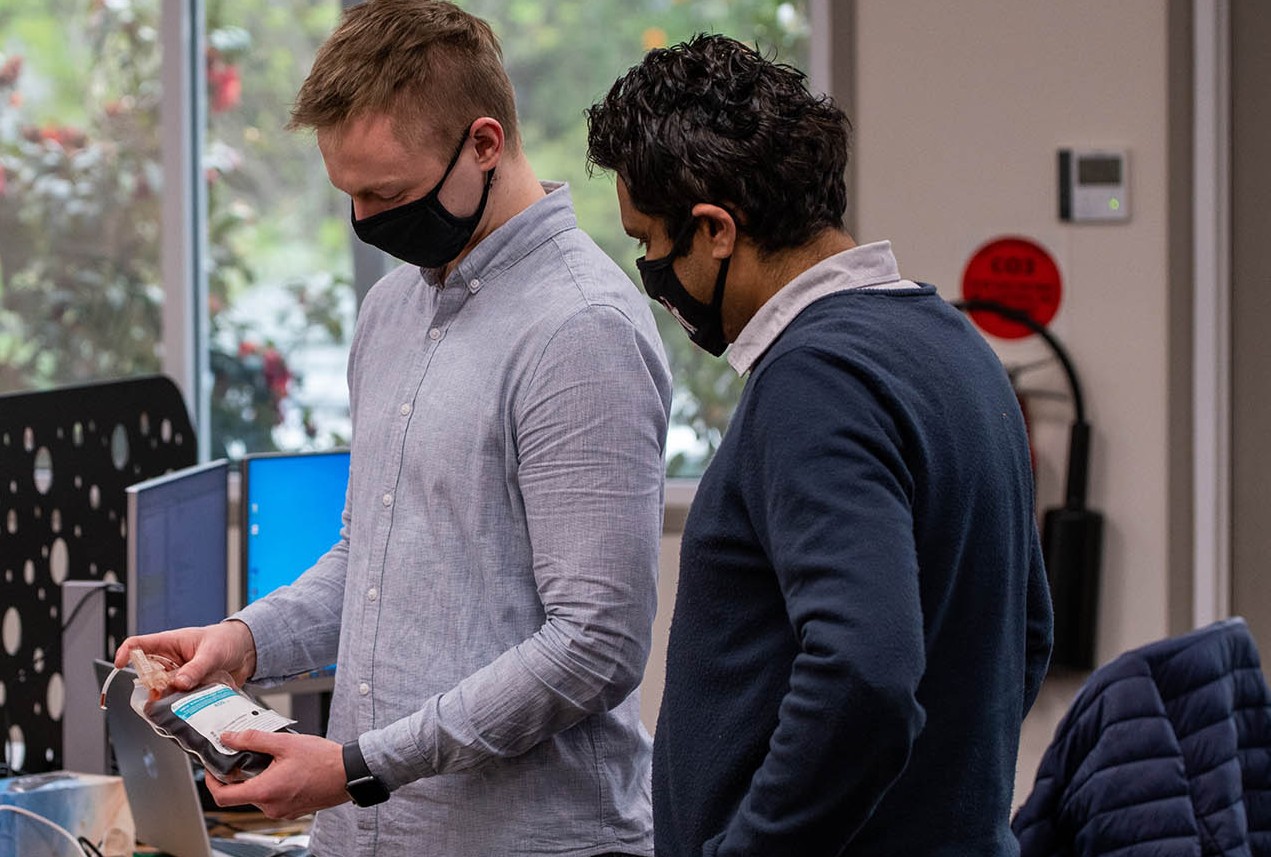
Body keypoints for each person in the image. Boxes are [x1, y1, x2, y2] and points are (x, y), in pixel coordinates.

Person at [116, 2, 671, 856]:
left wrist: (362, 766)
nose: (369, 220)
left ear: (484, 143)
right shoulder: (392, 309)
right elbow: (371, 559)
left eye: (390, 193)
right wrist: (246, 639)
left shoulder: (580, 327)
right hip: (366, 834)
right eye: (350, 195)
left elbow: (594, 643)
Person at [586, 34, 1053, 857]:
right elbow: (1028, 630)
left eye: (649, 243)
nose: (650, 271)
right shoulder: (956, 344)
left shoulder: (815, 377)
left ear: (715, 228)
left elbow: (863, 673)